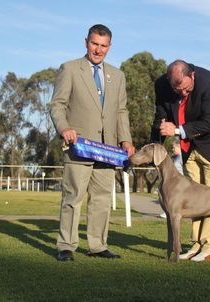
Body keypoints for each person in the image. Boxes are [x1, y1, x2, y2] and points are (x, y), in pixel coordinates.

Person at [50, 24, 135, 261]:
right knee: (73, 197)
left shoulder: (118, 76)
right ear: (86, 42)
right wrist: (64, 127)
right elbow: (57, 105)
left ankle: (98, 245)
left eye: (103, 45)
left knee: (101, 199)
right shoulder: (69, 69)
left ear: (110, 47)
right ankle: (66, 246)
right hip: (79, 147)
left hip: (108, 150)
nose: (98, 50)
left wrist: (125, 139)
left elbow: (121, 111)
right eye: (94, 43)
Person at [151, 60, 210, 262]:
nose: (181, 93)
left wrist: (174, 130)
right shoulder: (163, 85)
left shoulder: (209, 82)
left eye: (184, 88)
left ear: (191, 75)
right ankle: (197, 244)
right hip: (190, 145)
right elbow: (160, 116)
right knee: (195, 197)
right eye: (176, 89)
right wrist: (154, 147)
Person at [159, 139, 183, 218]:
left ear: (179, 146)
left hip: (179, 182)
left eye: (174, 147)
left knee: (174, 198)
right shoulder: (176, 158)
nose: (173, 149)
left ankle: (170, 213)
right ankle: (168, 212)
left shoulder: (181, 158)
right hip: (174, 181)